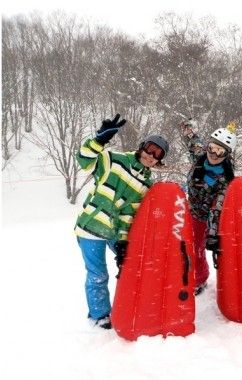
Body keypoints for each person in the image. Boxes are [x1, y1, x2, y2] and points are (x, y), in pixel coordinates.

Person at [75, 114, 169, 329]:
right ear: (142, 146)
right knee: (98, 274)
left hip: (114, 232)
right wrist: (98, 142)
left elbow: (128, 215)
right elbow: (84, 160)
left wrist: (123, 242)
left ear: (159, 160)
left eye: (157, 154)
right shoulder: (114, 160)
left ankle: (134, 304)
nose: (151, 155)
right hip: (90, 227)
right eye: (150, 148)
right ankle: (99, 315)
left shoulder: (146, 183)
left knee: (134, 263)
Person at [180, 119, 236, 295]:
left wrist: (212, 233)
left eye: (220, 151)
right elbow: (193, 143)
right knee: (182, 245)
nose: (214, 154)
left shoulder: (224, 179)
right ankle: (183, 273)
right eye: (212, 147)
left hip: (205, 218)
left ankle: (199, 279)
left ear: (227, 155)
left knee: (196, 247)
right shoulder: (200, 157)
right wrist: (188, 131)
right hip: (190, 209)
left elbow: (217, 208)